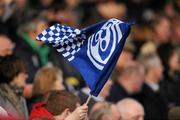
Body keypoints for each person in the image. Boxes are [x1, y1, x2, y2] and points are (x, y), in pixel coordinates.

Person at [138, 54, 168, 119]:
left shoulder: (162, 87)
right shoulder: (142, 94)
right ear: (152, 69)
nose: (163, 68)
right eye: (160, 65)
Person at [0, 55, 28, 120]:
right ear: (13, 74)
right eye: (23, 73)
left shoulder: (20, 97)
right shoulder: (1, 98)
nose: (26, 76)